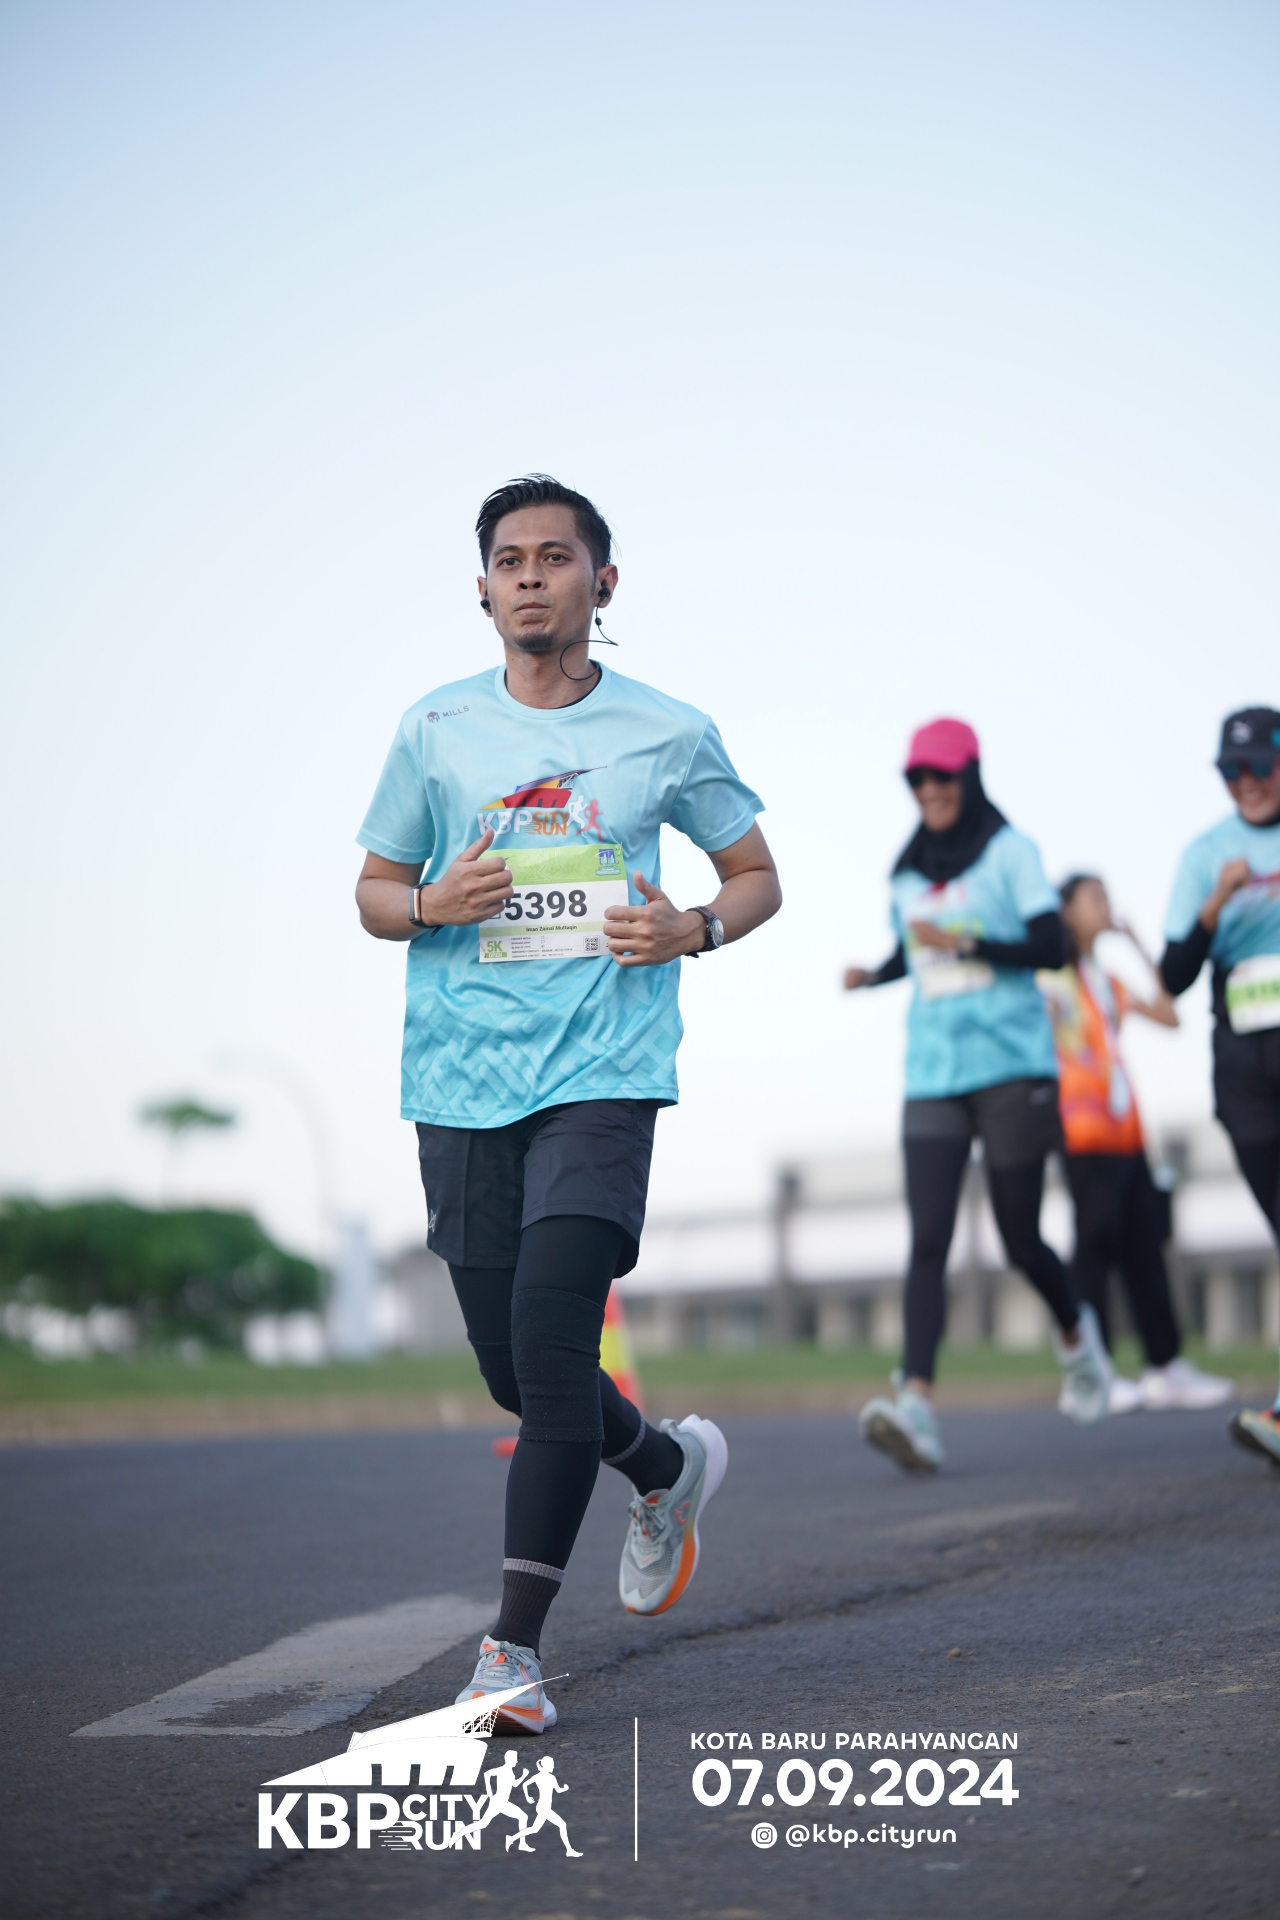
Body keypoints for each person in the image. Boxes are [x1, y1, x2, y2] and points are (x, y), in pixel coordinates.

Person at [355, 475, 781, 1729]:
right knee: (514, 1372)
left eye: (555, 556)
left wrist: (693, 927)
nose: (531, 576)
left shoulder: (667, 731)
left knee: (552, 1349)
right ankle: (664, 1466)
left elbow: (754, 874)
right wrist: (430, 903)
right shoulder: (435, 729)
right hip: (460, 1079)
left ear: (603, 582)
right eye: (510, 560)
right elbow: (373, 892)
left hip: (603, 1072)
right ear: (483, 590)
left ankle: (511, 1653)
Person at [843, 716, 1110, 1472]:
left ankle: (1075, 1334)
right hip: (933, 1074)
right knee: (928, 1239)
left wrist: (966, 941)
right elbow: (915, 952)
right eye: (918, 779)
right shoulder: (905, 872)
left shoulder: (1011, 852)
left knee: (1019, 1236)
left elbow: (1052, 946)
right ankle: (917, 1406)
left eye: (942, 777)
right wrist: (876, 973)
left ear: (969, 777)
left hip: (1013, 1069)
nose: (930, 790)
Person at [1042, 875, 1232, 1413]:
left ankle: (1164, 1365)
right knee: (1093, 1247)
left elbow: (1169, 1016)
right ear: (1066, 911)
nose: (1106, 906)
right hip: (1081, 1132)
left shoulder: (1106, 982)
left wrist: (1137, 946)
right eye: (1094, 898)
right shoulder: (1052, 978)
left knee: (1144, 1246)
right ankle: (1090, 1371)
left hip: (1125, 1132)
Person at [1159, 707, 1280, 1465]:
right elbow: (1172, 976)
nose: (1245, 783)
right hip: (1243, 1064)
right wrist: (1216, 904)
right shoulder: (1206, 853)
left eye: (1258, 766)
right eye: (1230, 771)